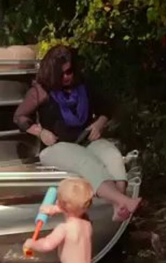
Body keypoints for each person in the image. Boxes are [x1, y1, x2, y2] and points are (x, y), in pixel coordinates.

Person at [13, 44, 142, 222]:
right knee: (87, 161)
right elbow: (19, 117)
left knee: (112, 155)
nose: (67, 77)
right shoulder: (41, 91)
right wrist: (40, 132)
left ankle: (117, 206)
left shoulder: (83, 86)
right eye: (62, 74)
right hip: (56, 146)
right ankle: (124, 201)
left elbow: (107, 108)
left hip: (86, 139)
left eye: (70, 71)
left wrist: (98, 124)